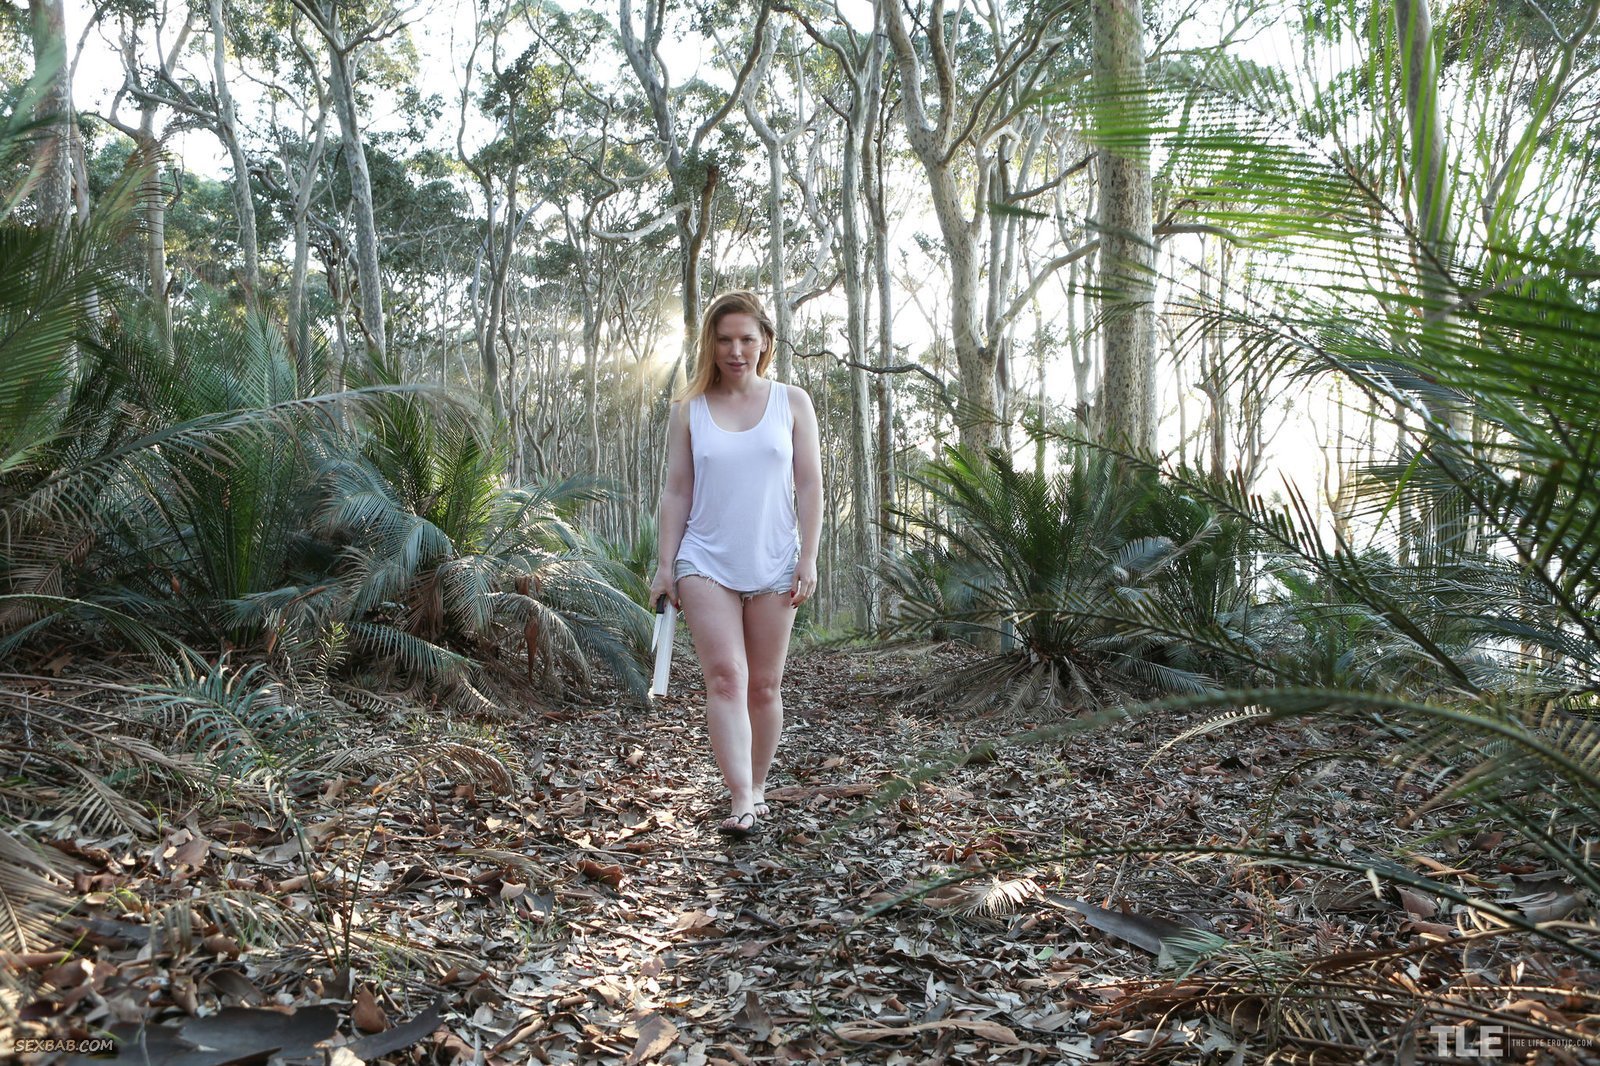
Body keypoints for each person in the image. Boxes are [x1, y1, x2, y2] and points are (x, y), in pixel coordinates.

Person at [648, 291, 822, 838]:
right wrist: (665, 565)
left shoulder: (792, 402)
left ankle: (759, 784)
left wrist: (809, 557)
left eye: (747, 338)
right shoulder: (689, 409)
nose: (736, 350)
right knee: (726, 678)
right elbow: (677, 491)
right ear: (711, 344)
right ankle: (741, 797)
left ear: (765, 341)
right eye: (724, 340)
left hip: (775, 560)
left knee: (764, 686)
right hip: (704, 558)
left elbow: (810, 484)